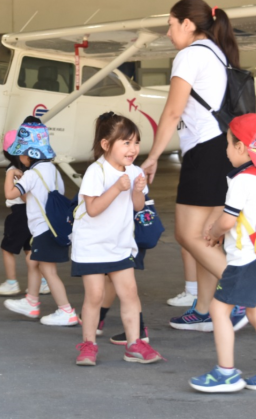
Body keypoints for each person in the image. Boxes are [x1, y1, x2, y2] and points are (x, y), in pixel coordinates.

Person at [140, 0, 245, 332]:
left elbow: (173, 112)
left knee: (187, 235)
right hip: (220, 148)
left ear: (187, 24)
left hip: (205, 151)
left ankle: (241, 296)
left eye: (171, 24)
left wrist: (153, 155)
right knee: (206, 236)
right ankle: (204, 310)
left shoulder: (190, 55)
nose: (168, 32)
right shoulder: (216, 51)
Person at [190, 114, 256, 392]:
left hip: (245, 258)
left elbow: (227, 221)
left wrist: (213, 233)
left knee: (218, 309)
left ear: (241, 148)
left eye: (228, 144)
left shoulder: (242, 180)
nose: (226, 150)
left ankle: (226, 373)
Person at [73, 112, 164, 366]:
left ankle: (135, 344)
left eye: (136, 142)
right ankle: (89, 345)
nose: (133, 148)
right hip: (92, 245)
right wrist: (116, 188)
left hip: (120, 245)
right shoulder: (96, 171)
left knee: (130, 293)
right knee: (94, 295)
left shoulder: (134, 171)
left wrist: (137, 190)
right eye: (126, 142)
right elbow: (92, 209)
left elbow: (137, 207)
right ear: (106, 144)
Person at [2, 117, 77, 326]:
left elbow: (10, 194)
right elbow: (39, 197)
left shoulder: (32, 174)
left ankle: (66, 311)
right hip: (52, 228)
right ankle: (31, 302)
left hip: (43, 230)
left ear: (30, 154)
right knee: (32, 262)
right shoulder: (52, 170)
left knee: (48, 271)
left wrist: (11, 174)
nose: (20, 158)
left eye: (22, 153)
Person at [0, 130, 50, 297]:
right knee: (29, 249)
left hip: (19, 213)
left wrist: (11, 177)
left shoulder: (15, 171)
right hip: (30, 214)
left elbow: (21, 195)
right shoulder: (30, 169)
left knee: (7, 248)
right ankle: (43, 282)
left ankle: (11, 282)